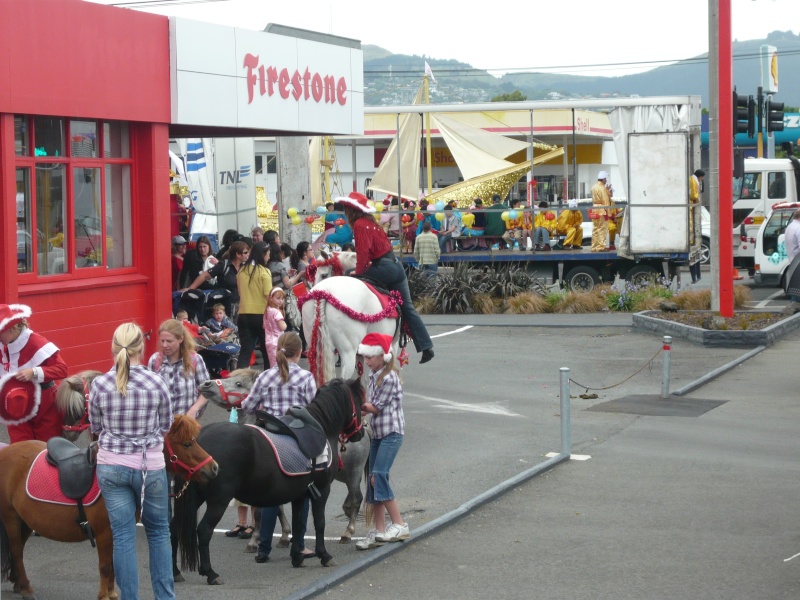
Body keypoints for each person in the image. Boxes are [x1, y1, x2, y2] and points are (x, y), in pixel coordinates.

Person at [89, 322, 175, 600]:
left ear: (114, 348)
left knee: (123, 537)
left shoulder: (100, 383)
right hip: (149, 466)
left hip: (112, 465)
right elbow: (166, 425)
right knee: (159, 533)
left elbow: (96, 427)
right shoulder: (156, 381)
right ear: (142, 347)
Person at [240, 332, 317, 563]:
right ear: (300, 352)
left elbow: (249, 406)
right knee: (303, 491)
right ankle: (299, 546)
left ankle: (263, 549)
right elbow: (314, 410)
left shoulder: (264, 377)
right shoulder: (305, 377)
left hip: (269, 439)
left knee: (270, 496)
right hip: (295, 439)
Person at [339, 191, 434, 364]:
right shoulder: (370, 222)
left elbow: (363, 252)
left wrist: (358, 272)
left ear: (350, 210)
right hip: (395, 267)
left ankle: (351, 333)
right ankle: (426, 346)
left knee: (347, 276)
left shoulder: (360, 224)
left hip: (382, 267)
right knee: (408, 307)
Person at [355, 332, 410, 550]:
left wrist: (353, 403)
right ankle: (379, 530)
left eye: (370, 357)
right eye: (365, 357)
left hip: (391, 433)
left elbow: (373, 407)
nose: (366, 361)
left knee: (379, 476)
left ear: (383, 357)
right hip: (378, 433)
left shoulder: (389, 378)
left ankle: (399, 523)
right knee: (372, 479)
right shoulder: (373, 374)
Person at [0, 304, 68, 443]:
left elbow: (62, 369)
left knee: (46, 447)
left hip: (45, 402)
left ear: (12, 329)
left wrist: (34, 372)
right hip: (15, 402)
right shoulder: (3, 343)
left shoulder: (36, 341)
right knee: (20, 448)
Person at [147, 318, 210, 419]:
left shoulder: (195, 360)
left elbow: (207, 390)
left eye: (169, 341)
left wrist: (195, 409)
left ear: (180, 339)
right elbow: (148, 393)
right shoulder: (155, 360)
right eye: (162, 341)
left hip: (185, 423)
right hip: (161, 424)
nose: (164, 345)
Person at [185, 240, 249, 322]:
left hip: (242, 305)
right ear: (238, 254)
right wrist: (190, 288)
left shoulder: (245, 267)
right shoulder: (224, 265)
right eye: (246, 252)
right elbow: (204, 275)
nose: (248, 255)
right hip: (225, 306)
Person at [237, 241, 272, 370]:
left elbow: (240, 292)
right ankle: (268, 380)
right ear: (262, 255)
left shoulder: (242, 271)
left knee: (245, 351)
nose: (269, 257)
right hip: (261, 316)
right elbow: (269, 296)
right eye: (268, 254)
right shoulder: (264, 272)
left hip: (243, 314)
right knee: (266, 351)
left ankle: (239, 382)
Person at [263, 287, 288, 368]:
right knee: (279, 364)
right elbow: (282, 327)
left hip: (269, 341)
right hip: (278, 341)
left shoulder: (267, 311)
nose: (281, 301)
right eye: (278, 298)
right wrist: (285, 323)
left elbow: (264, 326)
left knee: (272, 363)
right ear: (271, 298)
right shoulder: (277, 312)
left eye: (282, 298)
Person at [689, 169, 706, 283]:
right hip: (691, 204)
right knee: (690, 224)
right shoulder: (693, 181)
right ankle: (691, 239)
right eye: (702, 178)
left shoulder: (692, 179)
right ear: (700, 176)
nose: (702, 180)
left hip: (690, 204)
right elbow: (694, 194)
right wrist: (698, 199)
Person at [591, 171, 612, 252]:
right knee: (602, 228)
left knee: (595, 228)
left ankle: (594, 246)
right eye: (605, 179)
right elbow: (605, 200)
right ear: (603, 179)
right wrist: (609, 212)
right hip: (602, 209)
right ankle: (600, 247)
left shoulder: (594, 187)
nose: (606, 180)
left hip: (594, 209)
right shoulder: (602, 188)